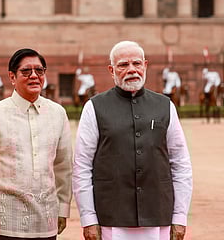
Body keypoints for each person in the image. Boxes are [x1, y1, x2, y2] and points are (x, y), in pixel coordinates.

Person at [73, 41, 192, 240]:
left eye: (136, 63)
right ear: (111, 70)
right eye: (123, 65)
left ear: (145, 65)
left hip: (158, 216)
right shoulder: (94, 107)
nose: (131, 70)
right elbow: (82, 167)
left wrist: (180, 216)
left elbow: (180, 163)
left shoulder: (165, 106)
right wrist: (89, 219)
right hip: (110, 217)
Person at [0, 48, 73, 240]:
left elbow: (64, 166)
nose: (34, 76)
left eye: (39, 71)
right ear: (12, 77)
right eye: (26, 71)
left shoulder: (58, 114)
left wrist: (63, 208)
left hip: (47, 221)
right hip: (6, 223)